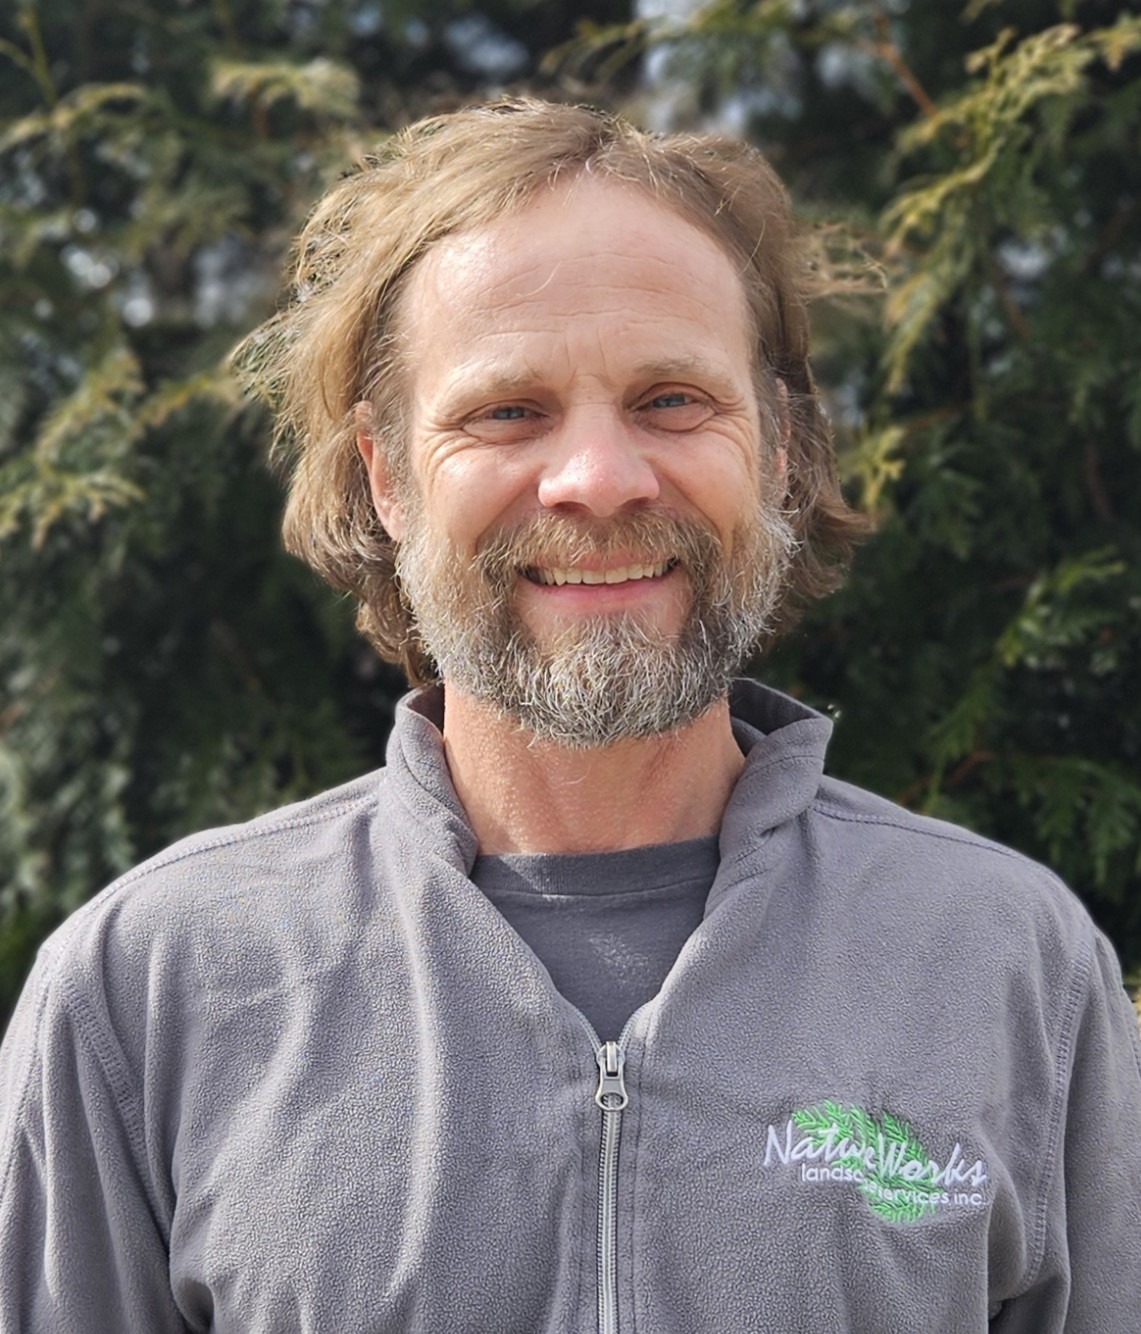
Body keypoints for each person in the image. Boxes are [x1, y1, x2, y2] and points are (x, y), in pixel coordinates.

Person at [1, 97, 1139, 1334]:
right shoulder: (148, 989)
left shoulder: (1010, 964)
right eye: (506, 411)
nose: (597, 479)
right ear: (385, 478)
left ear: (781, 446)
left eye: (669, 400)